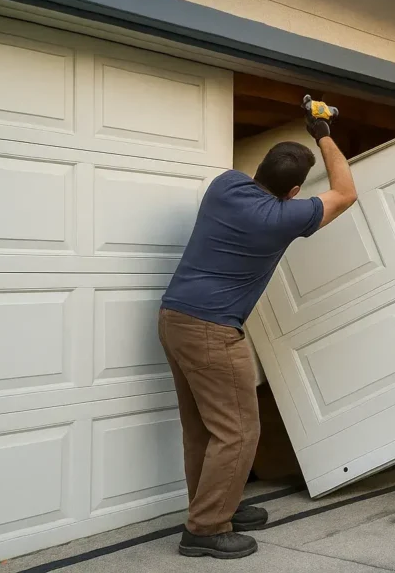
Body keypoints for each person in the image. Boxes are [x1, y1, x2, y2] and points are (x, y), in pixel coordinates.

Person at [157, 102, 356, 559]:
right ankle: (205, 529)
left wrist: (303, 136)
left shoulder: (224, 185)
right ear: (294, 190)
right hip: (211, 330)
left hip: (174, 318)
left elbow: (264, 179)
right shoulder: (281, 219)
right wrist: (322, 132)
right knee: (239, 431)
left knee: (203, 428)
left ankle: (213, 504)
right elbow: (345, 192)